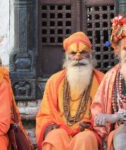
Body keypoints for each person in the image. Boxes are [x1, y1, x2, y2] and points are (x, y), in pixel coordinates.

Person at [36, 32, 104, 150]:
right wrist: (51, 127)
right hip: (61, 130)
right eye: (73, 53)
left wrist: (91, 124)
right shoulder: (54, 81)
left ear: (90, 55)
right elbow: (45, 114)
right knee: (54, 136)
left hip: (88, 131)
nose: (78, 57)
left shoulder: (102, 80)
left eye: (83, 52)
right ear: (67, 57)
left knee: (85, 138)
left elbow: (106, 113)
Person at [91, 15, 126, 150]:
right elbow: (98, 114)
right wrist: (109, 117)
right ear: (117, 51)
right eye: (125, 49)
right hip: (122, 130)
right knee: (121, 139)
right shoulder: (111, 76)